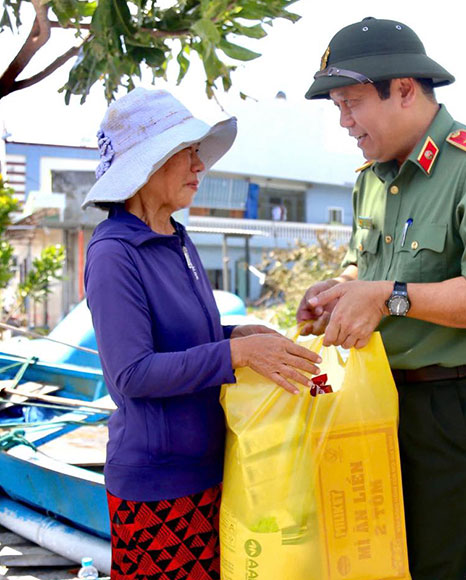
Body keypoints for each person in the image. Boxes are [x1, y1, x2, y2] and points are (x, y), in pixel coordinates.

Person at [298, 18, 466, 580]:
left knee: (433, 564)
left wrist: (389, 298)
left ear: (405, 89)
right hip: (372, 395)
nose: (344, 121)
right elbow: (365, 266)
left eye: (352, 103)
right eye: (337, 107)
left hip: (448, 403)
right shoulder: (371, 178)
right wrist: (340, 291)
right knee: (365, 561)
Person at [82, 87, 321, 580]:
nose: (199, 166)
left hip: (212, 469)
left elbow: (186, 337)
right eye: (186, 152)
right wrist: (236, 353)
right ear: (147, 164)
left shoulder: (176, 236)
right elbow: (133, 373)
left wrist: (237, 333)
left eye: (198, 152)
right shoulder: (113, 253)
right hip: (157, 485)